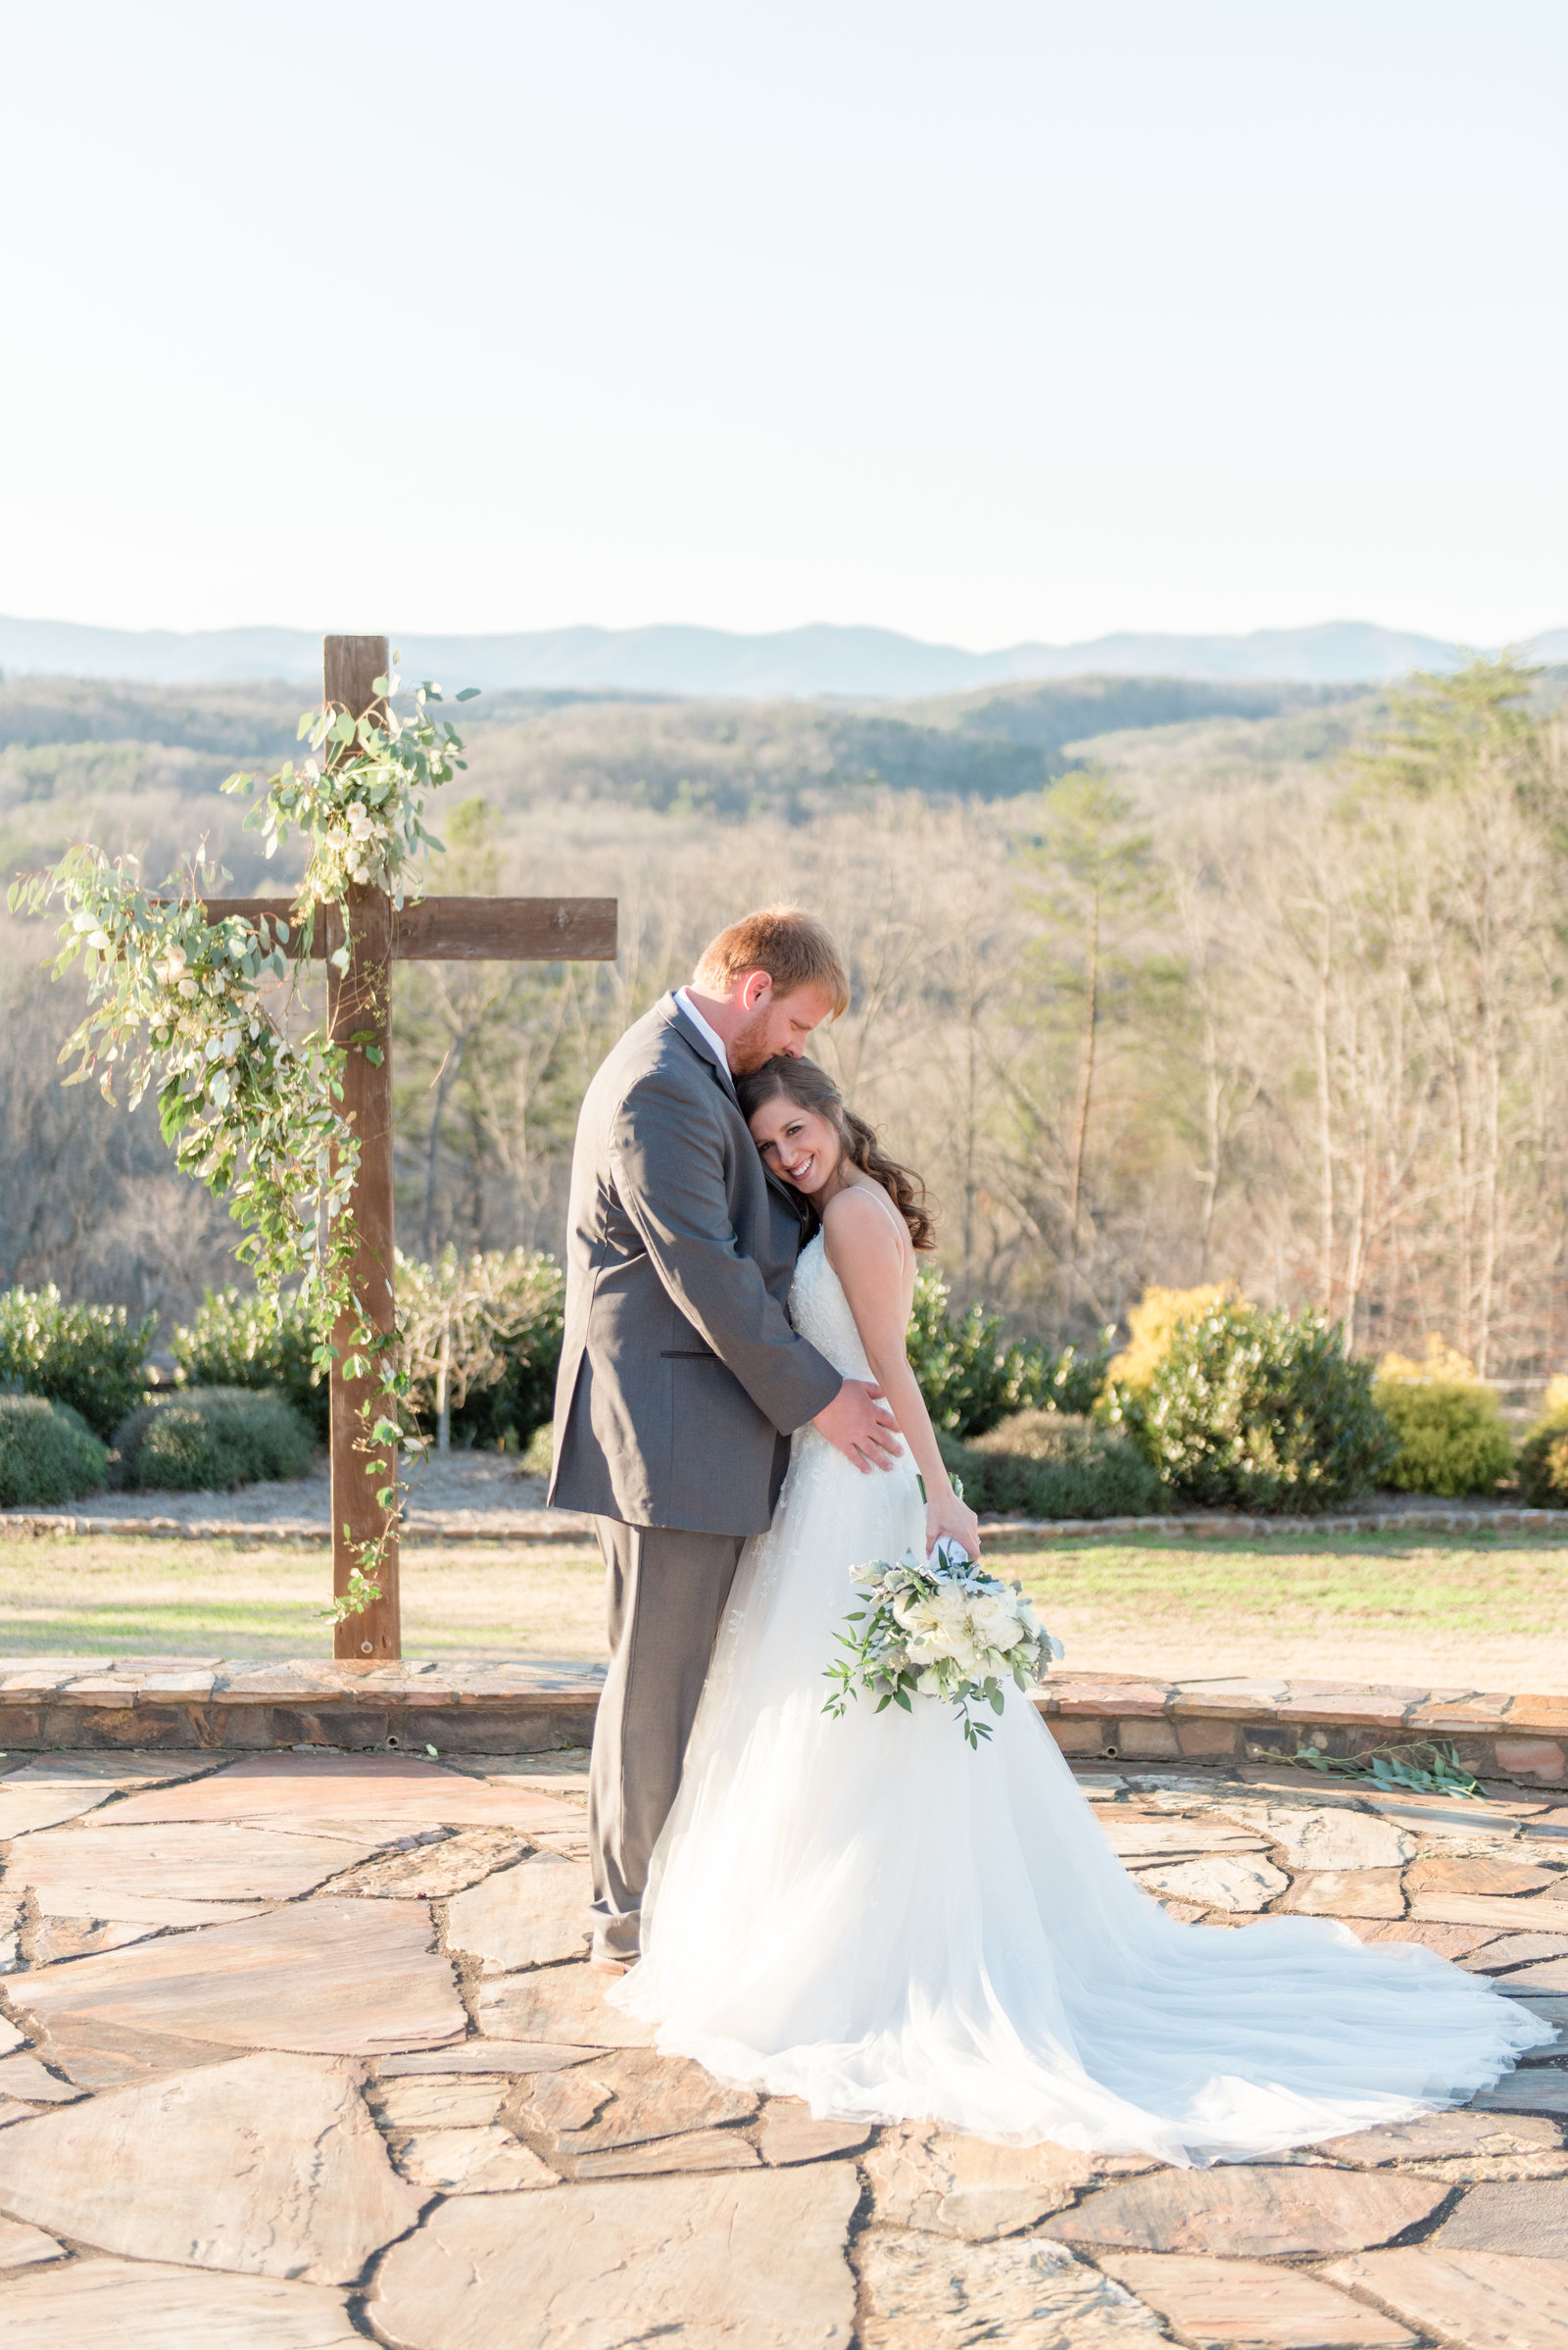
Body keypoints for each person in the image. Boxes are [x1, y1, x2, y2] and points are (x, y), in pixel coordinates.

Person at [612, 1053, 1548, 2163]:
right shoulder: (829, 1210)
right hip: (828, 1481)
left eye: (793, 1132)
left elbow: (894, 1367)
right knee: (826, 1718)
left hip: (861, 1484)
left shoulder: (856, 1214)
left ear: (830, 1113)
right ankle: (840, 1932)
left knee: (854, 1723)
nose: (784, 1156)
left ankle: (877, 1951)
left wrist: (941, 1491)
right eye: (768, 1147)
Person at [549, 907, 902, 1971]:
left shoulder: (693, 1072)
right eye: (795, 1023)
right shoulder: (659, 1082)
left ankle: (677, 1895)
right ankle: (630, 1918)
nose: (798, 1049)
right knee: (655, 1681)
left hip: (700, 1430)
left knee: (683, 1676)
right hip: (671, 1435)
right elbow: (701, 1267)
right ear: (752, 988)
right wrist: (820, 1397)